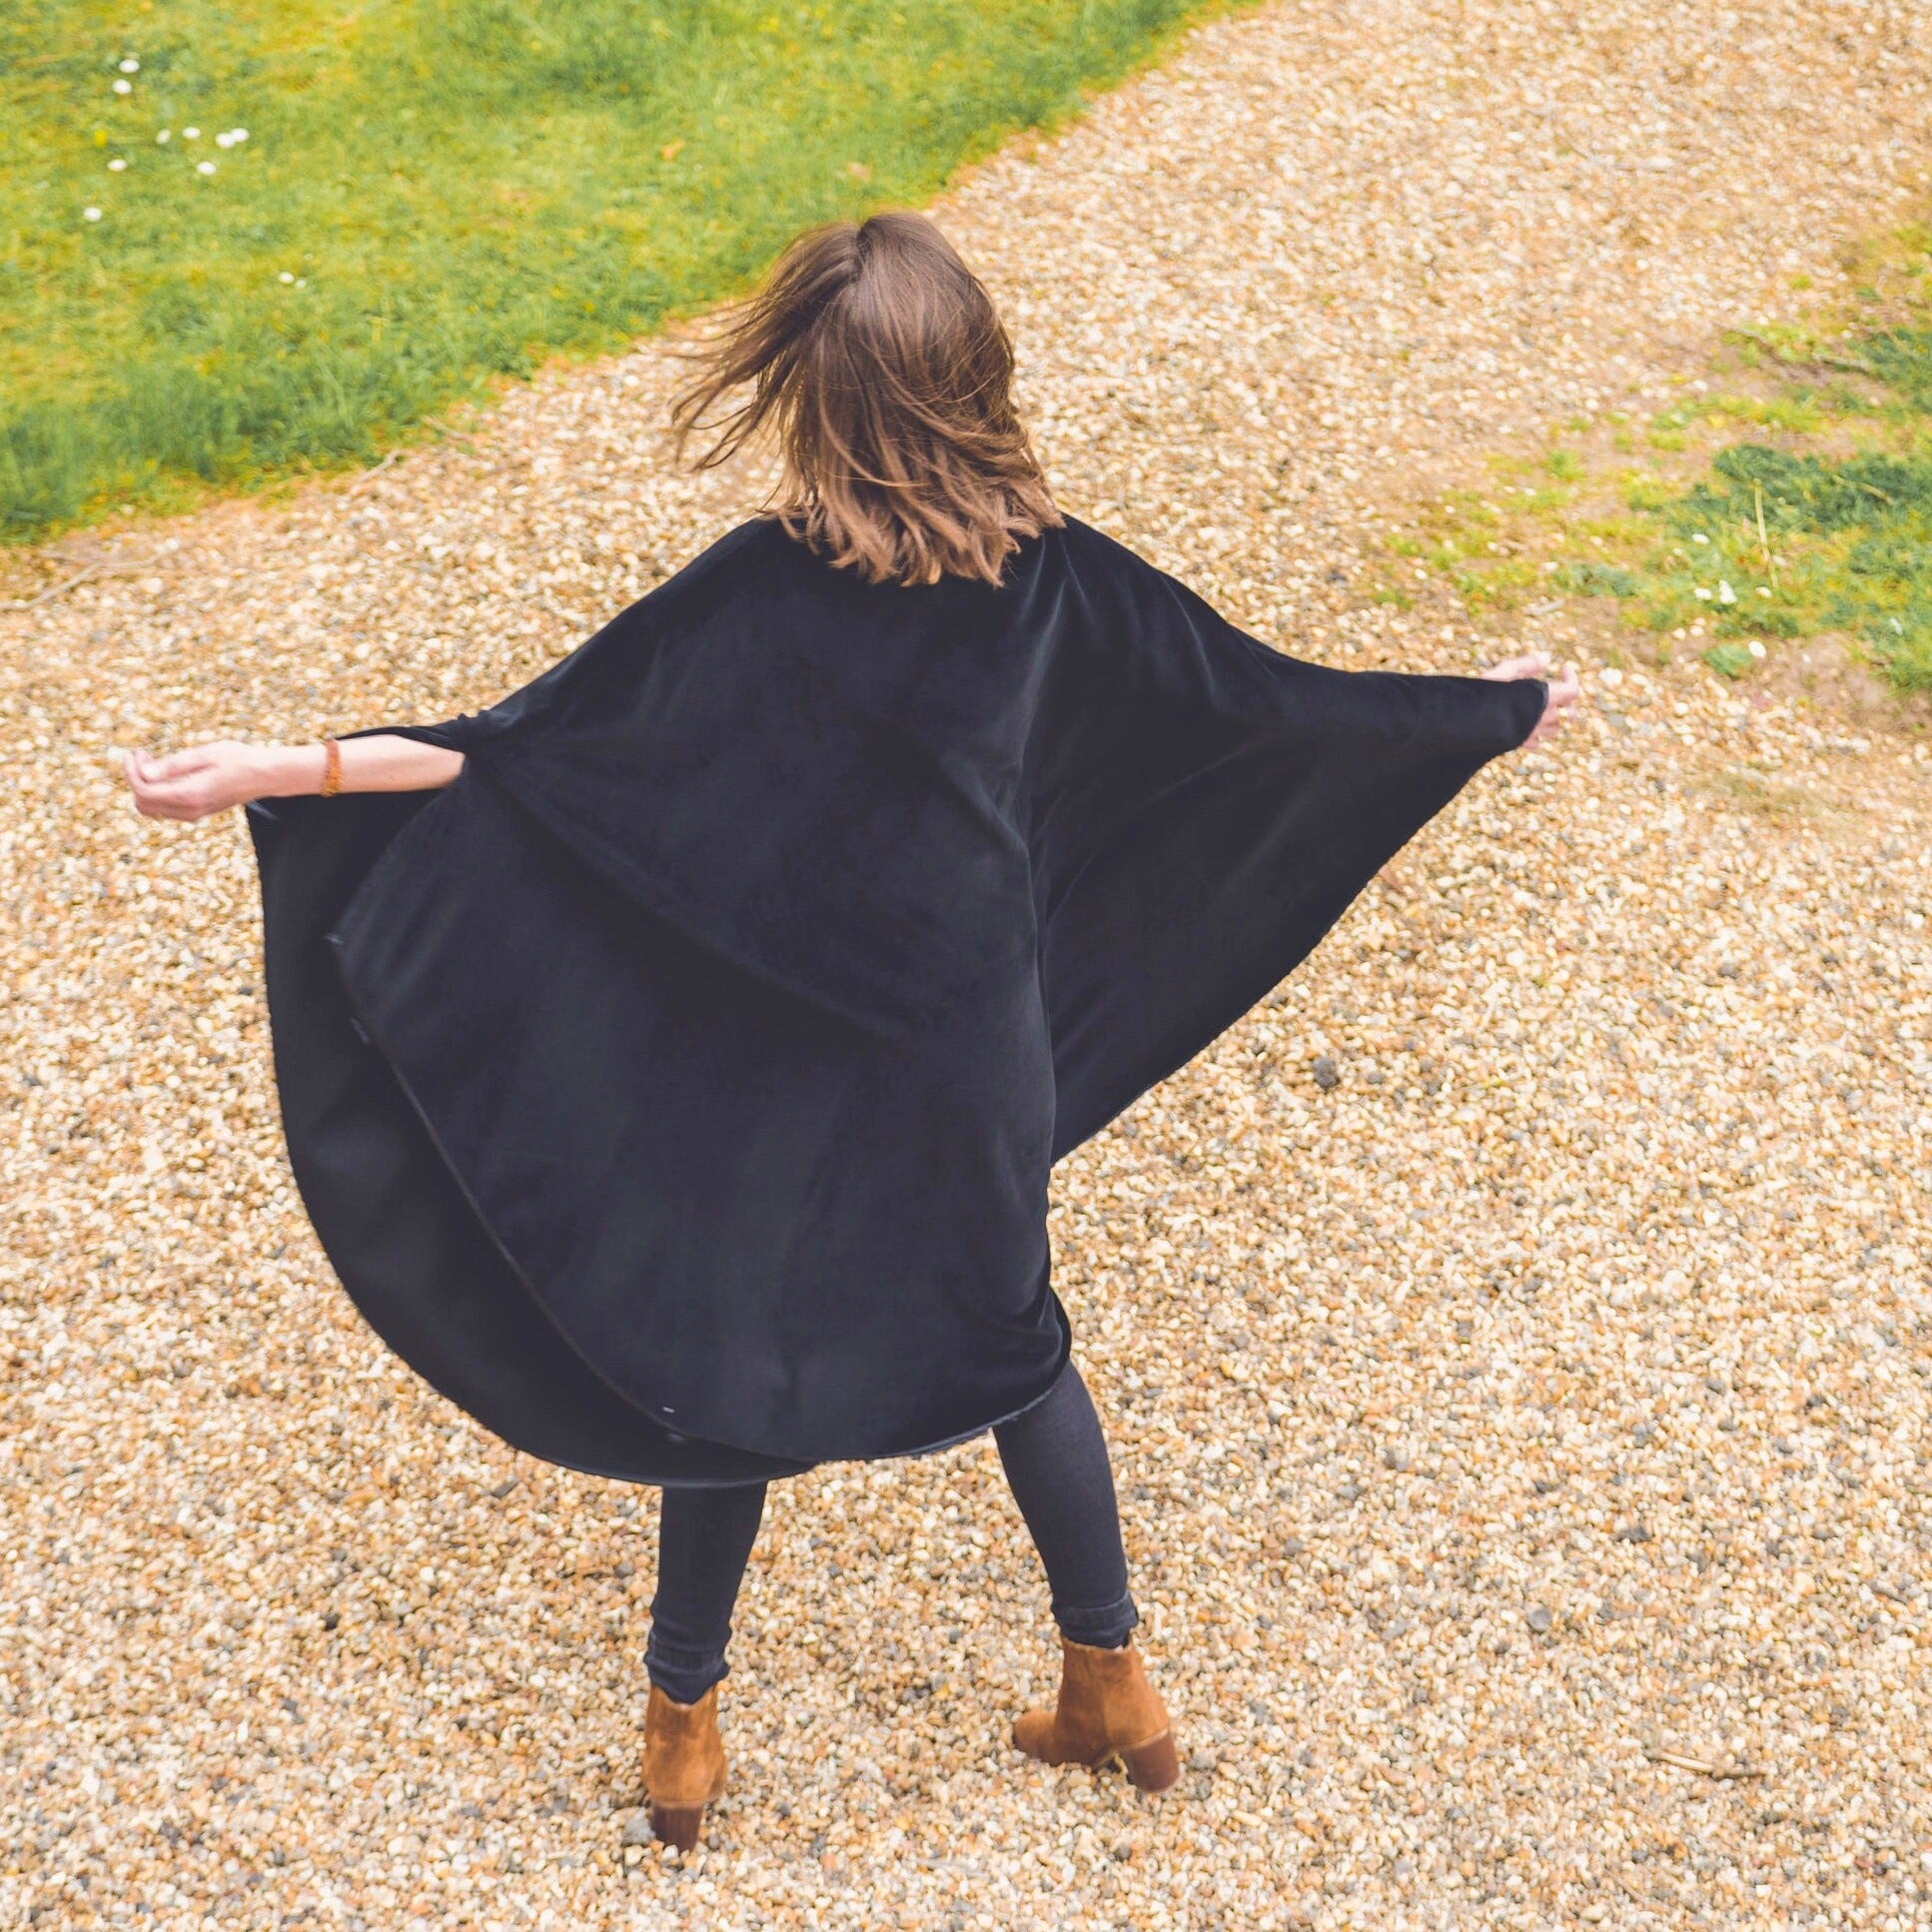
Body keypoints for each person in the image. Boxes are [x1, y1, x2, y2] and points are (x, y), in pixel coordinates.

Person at [124, 211, 1579, 1850]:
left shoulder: (757, 589)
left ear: (813, 402)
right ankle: (1114, 1688)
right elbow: (1273, 705)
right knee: (1012, 1342)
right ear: (975, 381)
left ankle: (684, 1731)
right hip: (963, 1063)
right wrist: (1489, 710)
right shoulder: (1059, 586)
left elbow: (521, 754)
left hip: (770, 1049)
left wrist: (278, 767)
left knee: (718, 1358)